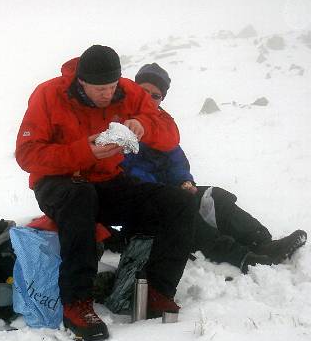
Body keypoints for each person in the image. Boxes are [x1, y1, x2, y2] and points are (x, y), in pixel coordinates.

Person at [15, 45, 197, 341]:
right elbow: (27, 155)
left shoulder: (127, 91)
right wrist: (84, 151)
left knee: (177, 202)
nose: (107, 94)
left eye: (112, 86)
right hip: (58, 182)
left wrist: (143, 125)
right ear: (81, 81)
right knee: (80, 196)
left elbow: (169, 132)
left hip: (108, 179)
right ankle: (77, 303)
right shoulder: (48, 95)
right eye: (100, 88)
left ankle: (157, 292)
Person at [119, 62, 307, 273]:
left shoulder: (162, 123)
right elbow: (124, 168)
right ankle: (243, 258)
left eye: (156, 95)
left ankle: (262, 243)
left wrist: (184, 181)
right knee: (186, 211)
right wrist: (167, 189)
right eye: (144, 91)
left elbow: (176, 160)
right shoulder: (122, 120)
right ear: (135, 89)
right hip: (145, 201)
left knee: (214, 197)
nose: (149, 98)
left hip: (171, 191)